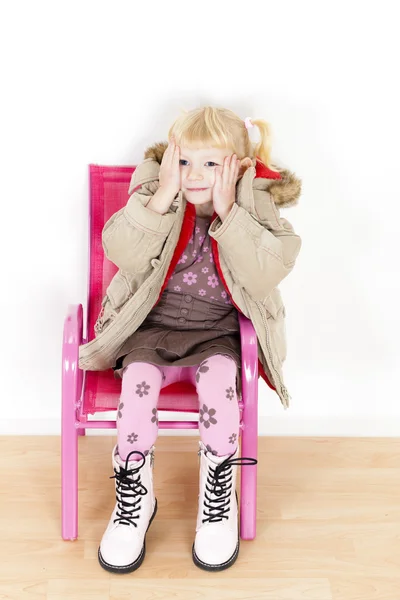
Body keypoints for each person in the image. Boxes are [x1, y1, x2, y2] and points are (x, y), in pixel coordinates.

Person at [78, 106, 302, 574]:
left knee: (222, 385)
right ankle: (134, 496)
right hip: (151, 331)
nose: (194, 175)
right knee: (136, 381)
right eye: (184, 162)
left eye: (211, 164)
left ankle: (216, 495)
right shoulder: (154, 195)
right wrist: (160, 196)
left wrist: (229, 215)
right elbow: (120, 250)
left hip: (217, 336)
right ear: (169, 161)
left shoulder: (257, 207)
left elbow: (267, 273)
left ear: (238, 167)